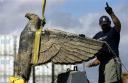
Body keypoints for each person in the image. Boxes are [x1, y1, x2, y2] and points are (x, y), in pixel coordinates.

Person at [87, 2, 122, 83]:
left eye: (106, 24)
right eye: (103, 25)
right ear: (100, 25)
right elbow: (91, 47)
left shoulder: (113, 31)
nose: (104, 26)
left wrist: (111, 13)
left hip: (112, 61)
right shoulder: (97, 35)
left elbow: (118, 24)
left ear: (109, 23)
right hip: (102, 64)